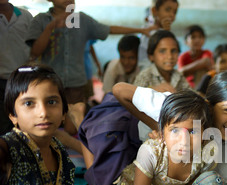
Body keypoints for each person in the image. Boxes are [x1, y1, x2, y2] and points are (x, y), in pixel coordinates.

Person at [26, 0, 155, 135]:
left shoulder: (81, 20)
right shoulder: (41, 20)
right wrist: (51, 27)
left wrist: (140, 30)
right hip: (49, 84)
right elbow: (35, 52)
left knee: (72, 127)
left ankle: (70, 151)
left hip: (75, 83)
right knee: (49, 124)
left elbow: (108, 29)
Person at [0, 0, 33, 135]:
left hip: (22, 79)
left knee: (23, 125)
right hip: (0, 80)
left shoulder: (25, 16)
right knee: (3, 126)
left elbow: (34, 46)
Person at [134, 30, 190, 97]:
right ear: (151, 56)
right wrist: (152, 90)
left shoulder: (178, 76)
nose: (170, 56)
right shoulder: (145, 77)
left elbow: (192, 95)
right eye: (162, 51)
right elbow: (134, 98)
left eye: (173, 51)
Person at [137, 0, 179, 70]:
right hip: (148, 72)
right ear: (154, 11)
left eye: (174, 12)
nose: (172, 15)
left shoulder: (168, 32)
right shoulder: (148, 31)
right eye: (167, 10)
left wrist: (167, 32)